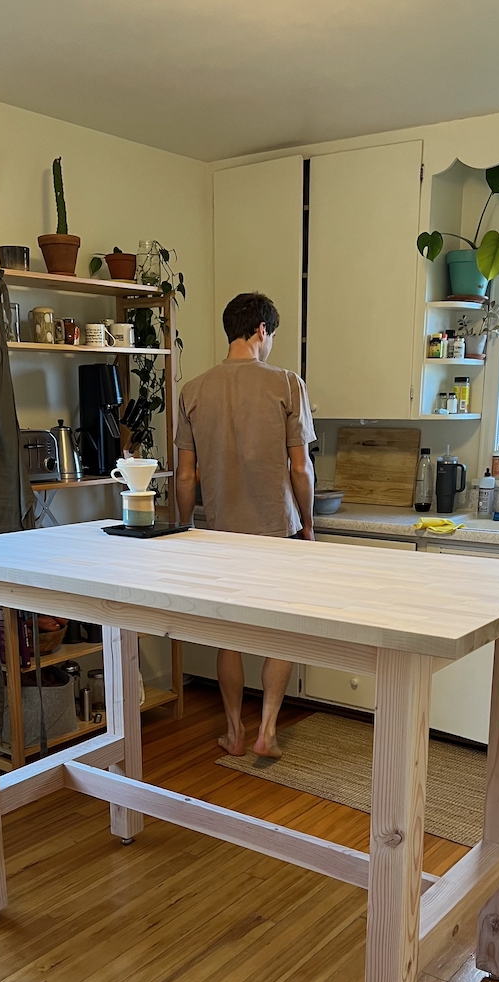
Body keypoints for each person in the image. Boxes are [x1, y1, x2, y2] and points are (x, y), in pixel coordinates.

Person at [175, 291, 316, 759]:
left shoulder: (192, 390)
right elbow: (301, 469)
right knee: (282, 631)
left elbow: (186, 475)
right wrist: (309, 525)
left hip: (219, 536)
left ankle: (234, 731)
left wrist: (182, 530)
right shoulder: (288, 384)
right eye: (271, 334)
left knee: (230, 634)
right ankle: (267, 730)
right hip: (278, 531)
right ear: (262, 331)